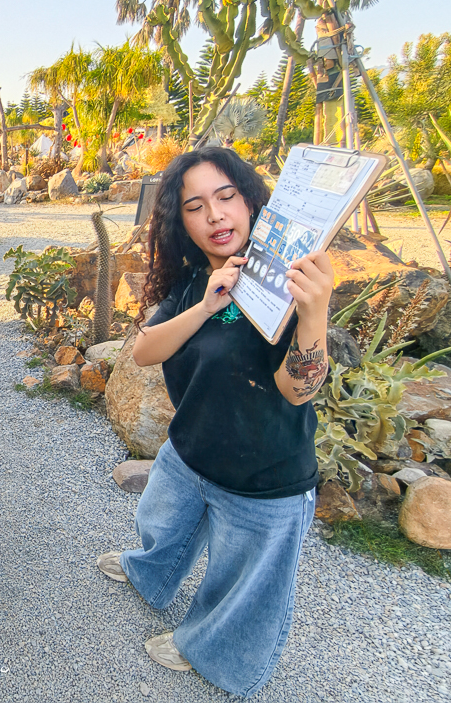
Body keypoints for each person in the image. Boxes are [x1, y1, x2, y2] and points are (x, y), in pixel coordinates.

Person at [95, 147, 332, 698]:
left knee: (243, 584)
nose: (215, 216)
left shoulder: (287, 285)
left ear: (252, 202)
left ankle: (208, 646)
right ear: (181, 223)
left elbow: (298, 388)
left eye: (226, 198)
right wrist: (203, 304)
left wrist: (315, 311)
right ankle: (148, 572)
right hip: (190, 449)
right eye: (195, 207)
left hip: (263, 473)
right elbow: (146, 352)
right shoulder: (194, 278)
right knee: (162, 525)